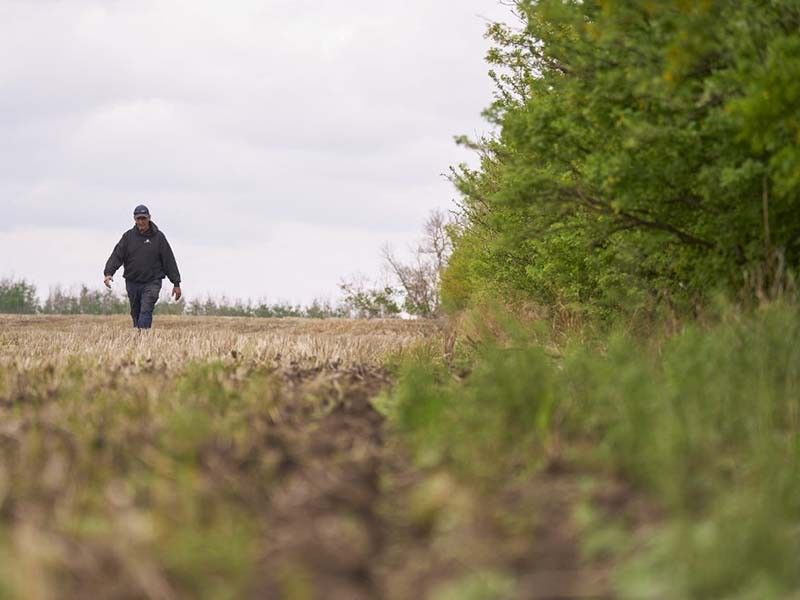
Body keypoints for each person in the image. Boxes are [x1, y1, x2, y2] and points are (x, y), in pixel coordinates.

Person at [103, 205, 182, 329]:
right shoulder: (128, 237)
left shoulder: (159, 237)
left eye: (143, 218)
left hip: (152, 282)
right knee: (136, 312)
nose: (141, 222)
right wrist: (108, 273)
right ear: (134, 219)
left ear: (149, 218)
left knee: (146, 310)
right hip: (132, 281)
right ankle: (139, 334)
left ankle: (143, 338)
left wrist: (176, 283)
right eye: (138, 219)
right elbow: (117, 255)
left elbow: (169, 260)